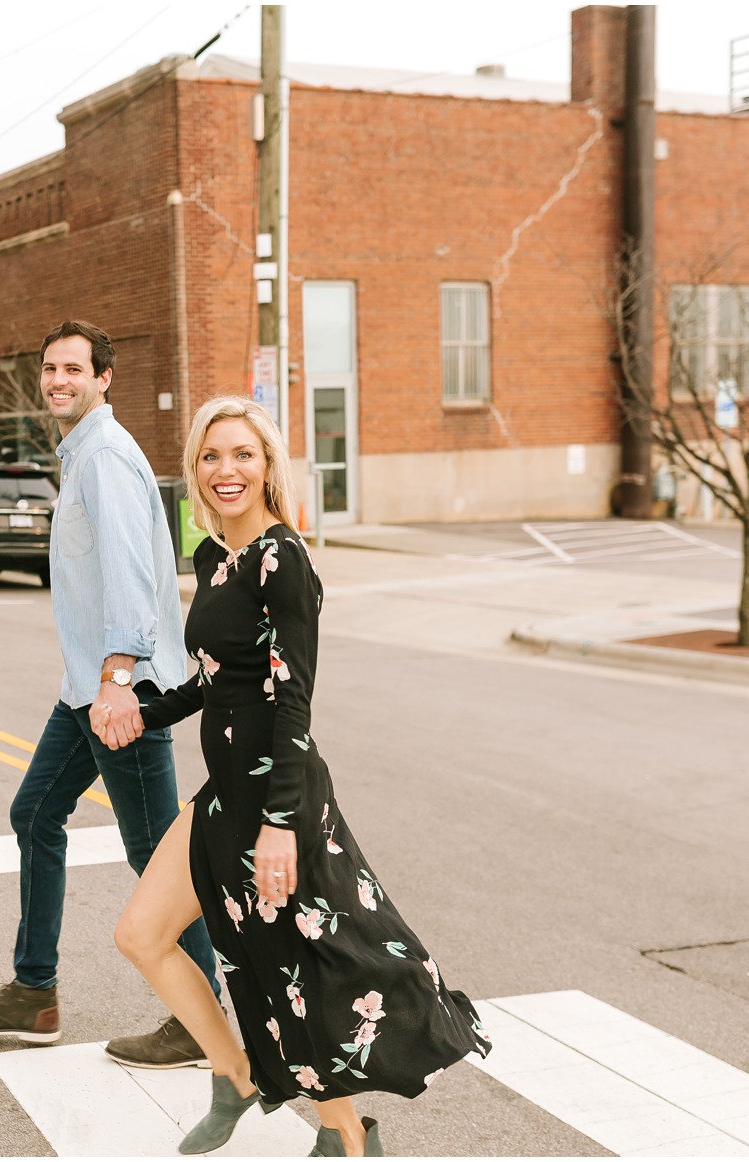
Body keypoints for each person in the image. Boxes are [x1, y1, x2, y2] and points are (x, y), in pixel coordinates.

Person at [103, 397, 491, 1157]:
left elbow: (292, 702)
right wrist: (142, 713)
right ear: (195, 470)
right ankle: (238, 1077)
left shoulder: (285, 560)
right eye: (212, 457)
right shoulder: (217, 559)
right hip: (224, 797)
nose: (226, 470)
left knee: (298, 978)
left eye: (243, 455)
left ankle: (348, 1140)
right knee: (142, 935)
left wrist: (280, 825)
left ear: (269, 466)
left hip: (275, 798)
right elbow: (216, 680)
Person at [0, 320, 223, 1068]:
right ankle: (34, 992)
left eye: (73, 368)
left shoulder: (105, 458)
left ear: (104, 379)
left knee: (156, 855)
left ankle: (204, 1016)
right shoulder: (85, 454)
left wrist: (120, 679)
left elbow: (131, 575)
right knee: (35, 813)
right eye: (49, 368)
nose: (57, 379)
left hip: (119, 690)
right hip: (88, 690)